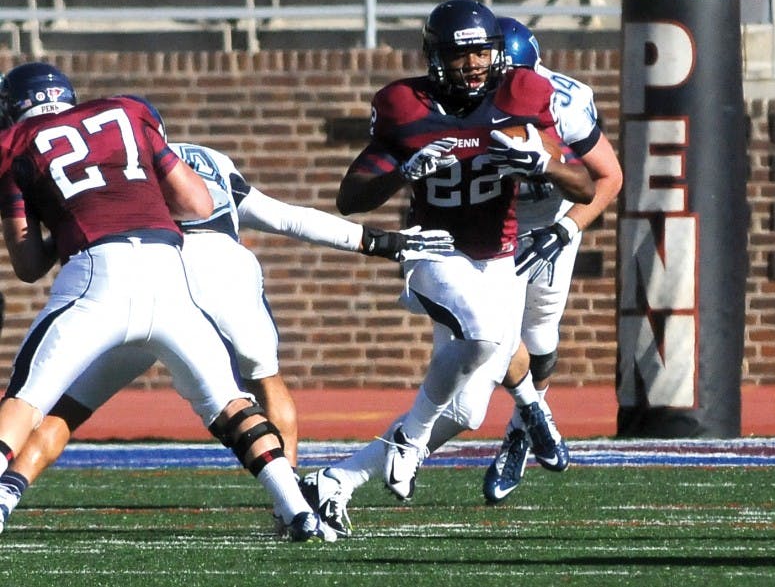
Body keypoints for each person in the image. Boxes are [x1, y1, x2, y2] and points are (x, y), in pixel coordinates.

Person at [0, 139, 453, 535]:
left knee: (65, 409)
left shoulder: (104, 166)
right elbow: (286, 217)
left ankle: (9, 491)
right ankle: (291, 506)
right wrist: (378, 242)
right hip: (220, 269)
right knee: (259, 386)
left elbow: (48, 247)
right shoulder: (205, 160)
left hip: (140, 278)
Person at [0, 62, 330, 542]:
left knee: (27, 399)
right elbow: (197, 204)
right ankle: (297, 510)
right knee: (231, 404)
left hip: (96, 276)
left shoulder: (15, 144)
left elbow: (28, 264)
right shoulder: (128, 112)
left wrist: (65, 219)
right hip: (169, 274)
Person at [302, 0, 594, 533]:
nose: (475, 64)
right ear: (436, 57)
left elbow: (586, 185)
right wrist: (403, 171)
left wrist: (544, 163)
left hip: (498, 257)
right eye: (462, 55)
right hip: (433, 250)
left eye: (482, 52)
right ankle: (413, 438)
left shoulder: (521, 96)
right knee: (480, 335)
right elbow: (350, 197)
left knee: (466, 412)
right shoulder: (406, 105)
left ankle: (335, 480)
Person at [478, 16, 623, 503]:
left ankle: (521, 430)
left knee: (539, 334)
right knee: (488, 333)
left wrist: (566, 228)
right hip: (483, 222)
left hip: (547, 220)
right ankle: (532, 413)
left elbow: (609, 177)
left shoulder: (564, 101)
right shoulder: (464, 99)